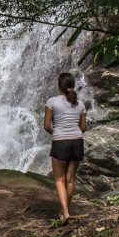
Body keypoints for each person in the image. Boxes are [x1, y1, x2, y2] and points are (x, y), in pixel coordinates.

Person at [44, 72, 87, 224]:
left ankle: (66, 213)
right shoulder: (80, 104)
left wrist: (57, 133)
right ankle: (64, 212)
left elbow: (46, 126)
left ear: (59, 86)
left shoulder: (52, 102)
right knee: (70, 180)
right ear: (73, 86)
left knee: (59, 180)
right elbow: (83, 127)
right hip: (77, 142)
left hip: (60, 142)